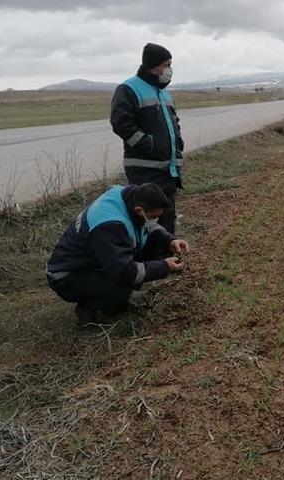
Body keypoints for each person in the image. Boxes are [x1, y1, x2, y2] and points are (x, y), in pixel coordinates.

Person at [46, 183, 189, 324]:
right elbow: (123, 272)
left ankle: (112, 298)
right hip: (67, 276)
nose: (155, 220)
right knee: (120, 284)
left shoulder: (130, 197)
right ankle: (91, 309)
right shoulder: (109, 226)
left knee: (152, 249)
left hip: (93, 261)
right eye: (153, 216)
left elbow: (148, 225)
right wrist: (164, 266)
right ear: (140, 211)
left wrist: (169, 240)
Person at [111, 42, 184, 234]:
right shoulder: (129, 89)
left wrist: (178, 147)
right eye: (167, 65)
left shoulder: (165, 94)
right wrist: (149, 145)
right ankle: (148, 263)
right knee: (147, 223)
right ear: (154, 66)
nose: (170, 70)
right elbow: (121, 124)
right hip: (145, 171)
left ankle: (167, 260)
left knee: (167, 218)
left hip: (168, 171)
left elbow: (174, 124)